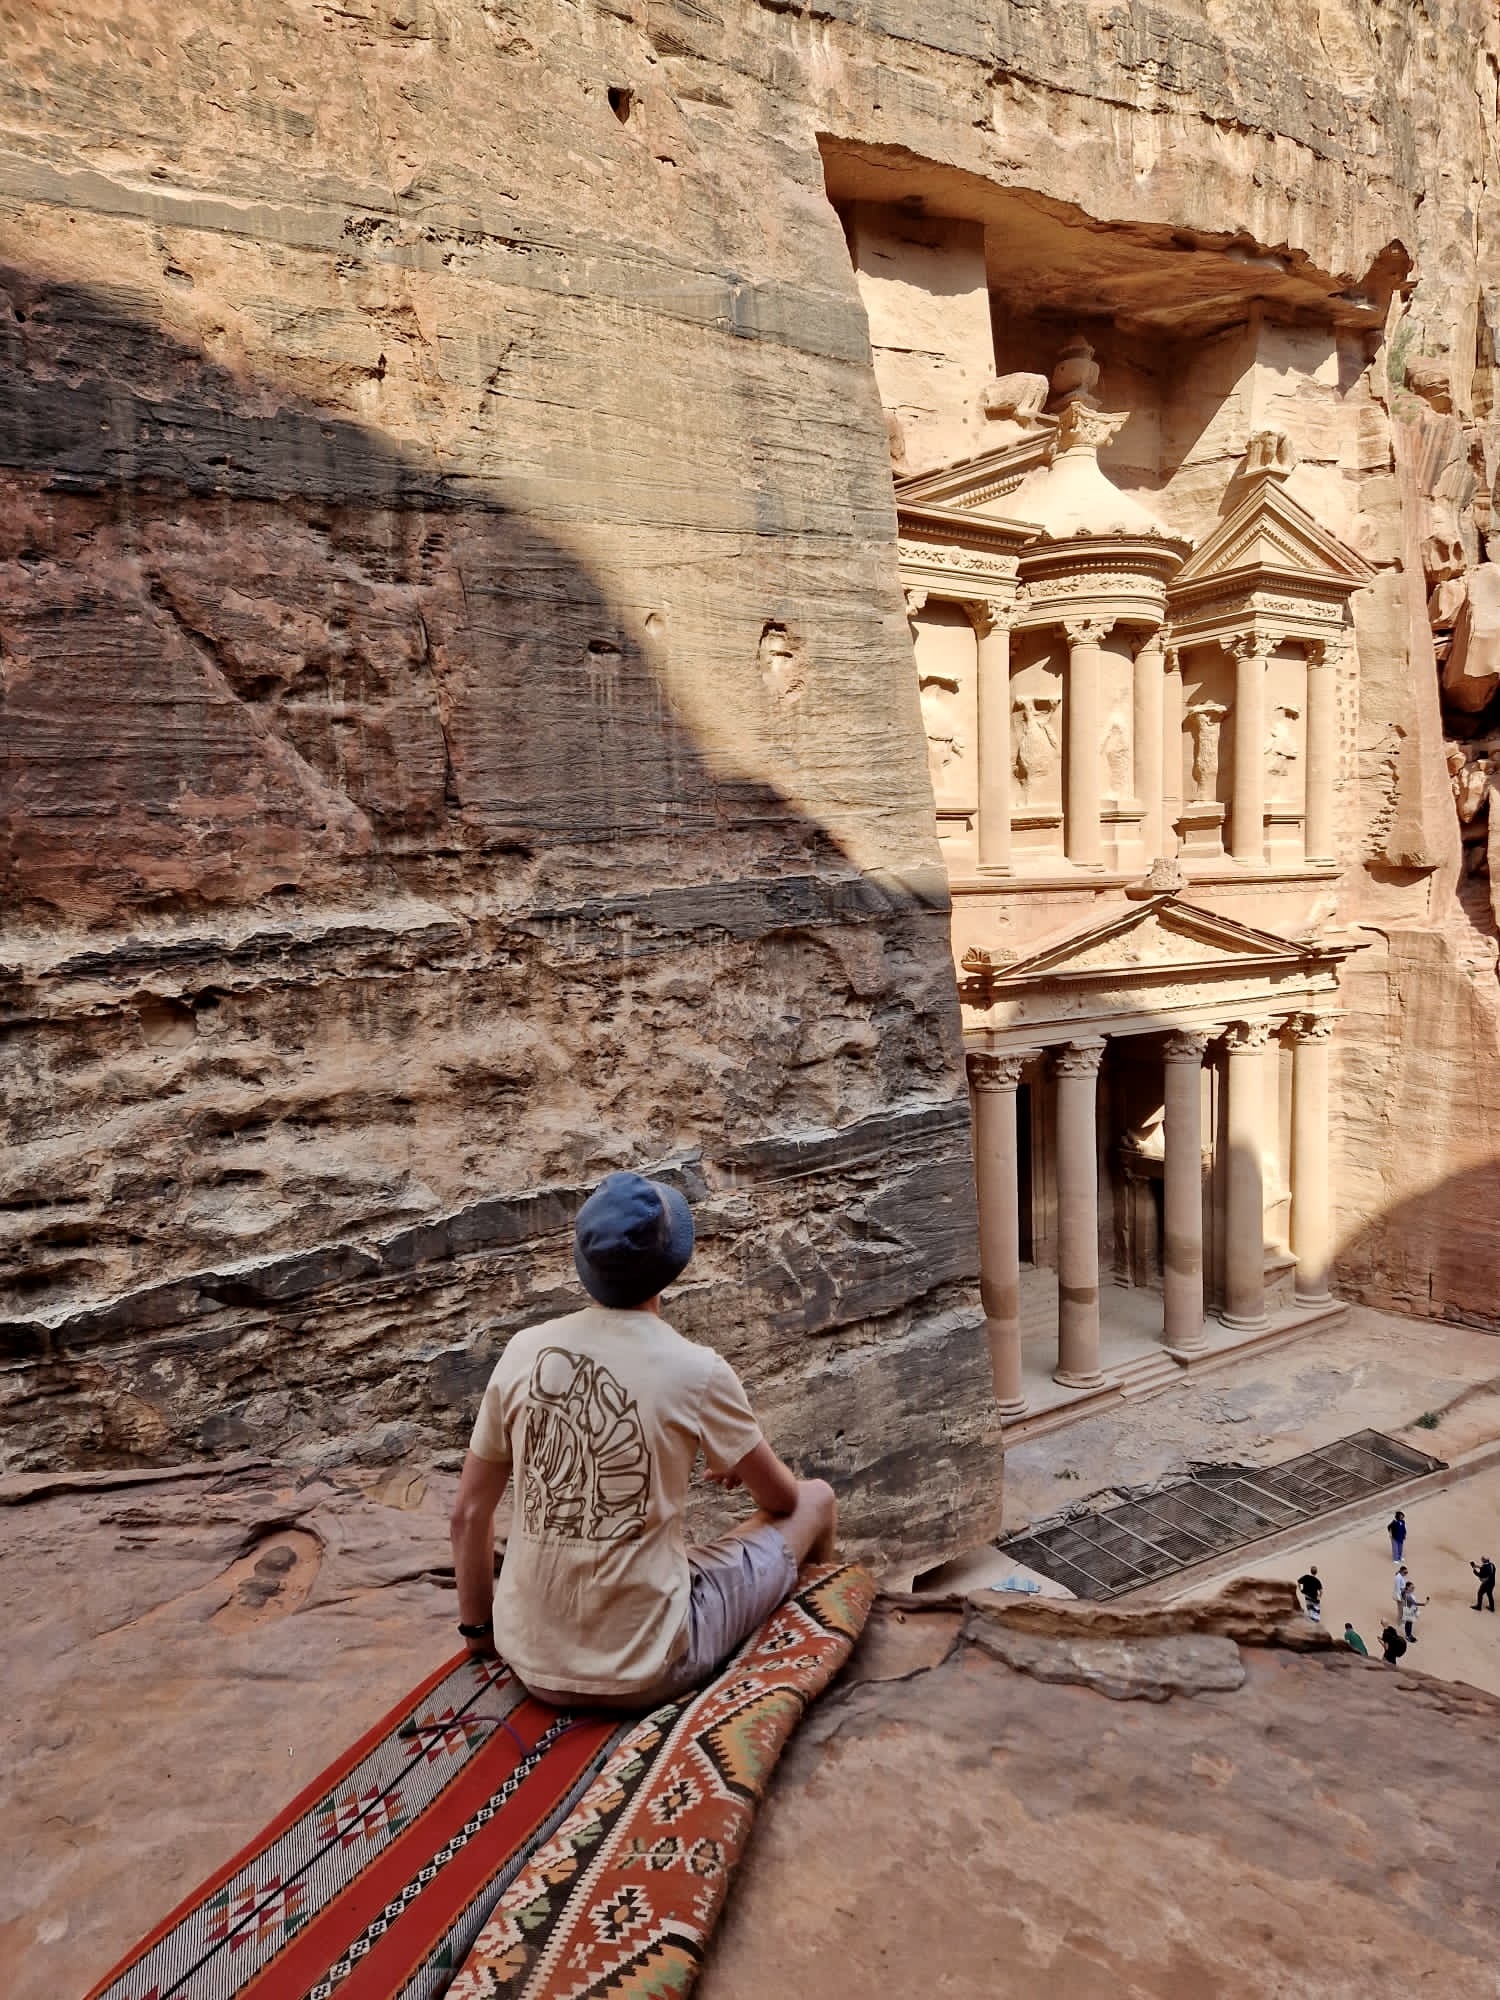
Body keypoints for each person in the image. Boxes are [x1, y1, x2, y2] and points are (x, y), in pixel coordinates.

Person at [448, 1170, 837, 1710]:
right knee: (817, 1498)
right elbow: (782, 1501)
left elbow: (468, 1512)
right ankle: (809, 1650)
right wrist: (731, 1460)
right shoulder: (697, 1369)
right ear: (670, 1266)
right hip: (648, 1670)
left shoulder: (522, 1352)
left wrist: (480, 1633)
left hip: (529, 1662)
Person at [1399, 1574, 1427, 1644]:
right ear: (1408, 1587)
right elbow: (1414, 1603)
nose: (1413, 1588)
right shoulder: (1408, 1595)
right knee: (1409, 1624)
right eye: (1412, 1587)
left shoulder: (1405, 1592)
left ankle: (1408, 1635)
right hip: (1409, 1611)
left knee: (1408, 1623)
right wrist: (1424, 1604)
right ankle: (1408, 1636)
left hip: (1408, 1609)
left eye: (1413, 1587)